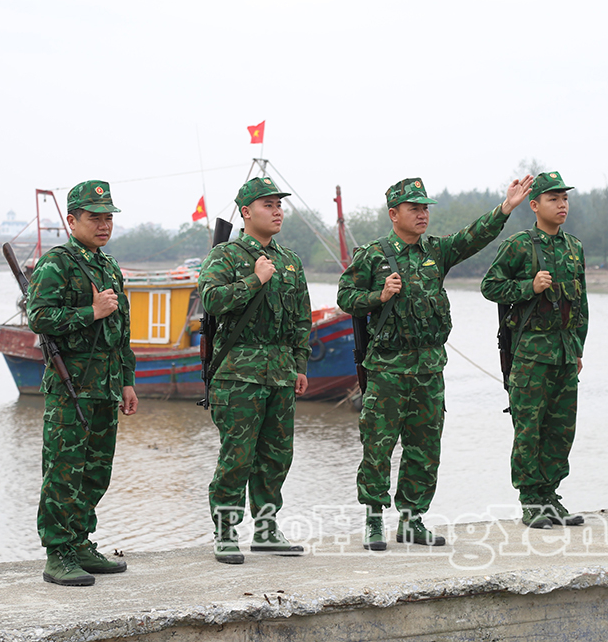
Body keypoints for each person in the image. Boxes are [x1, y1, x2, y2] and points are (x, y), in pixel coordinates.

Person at [337, 175, 532, 550]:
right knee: (378, 446)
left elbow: (471, 237)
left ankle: (412, 520)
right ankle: (374, 520)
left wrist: (505, 208)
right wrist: (378, 295)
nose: (423, 214)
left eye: (425, 207)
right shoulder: (373, 255)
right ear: (394, 214)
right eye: (414, 208)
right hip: (388, 369)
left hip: (429, 368)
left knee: (425, 448)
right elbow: (346, 296)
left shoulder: (436, 252)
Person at [27, 180, 139, 586]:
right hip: (70, 385)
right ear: (72, 220)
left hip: (106, 386)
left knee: (96, 472)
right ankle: (57, 553)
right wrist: (89, 312)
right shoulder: (57, 263)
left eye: (108, 217)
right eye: (95, 217)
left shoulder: (109, 267)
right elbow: (38, 318)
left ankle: (80, 543)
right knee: (63, 470)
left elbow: (122, 331)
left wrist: (127, 381)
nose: (104, 224)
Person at [198, 177, 312, 564]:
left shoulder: (290, 261)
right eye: (268, 204)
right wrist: (255, 279)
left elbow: (300, 318)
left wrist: (299, 364)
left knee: (277, 455)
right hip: (237, 373)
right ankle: (226, 531)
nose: (277, 210)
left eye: (279, 204)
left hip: (280, 371)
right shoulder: (225, 257)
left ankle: (266, 529)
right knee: (237, 456)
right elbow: (211, 302)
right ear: (246, 212)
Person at [480, 171, 588, 529]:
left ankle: (550, 495)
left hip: (563, 352)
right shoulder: (520, 245)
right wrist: (529, 286)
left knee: (561, 429)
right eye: (554, 199)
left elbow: (581, 304)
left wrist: (578, 349)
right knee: (529, 428)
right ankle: (530, 501)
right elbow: (490, 286)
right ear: (534, 205)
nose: (562, 205)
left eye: (565, 199)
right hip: (529, 355)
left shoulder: (573, 247)